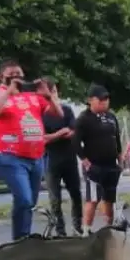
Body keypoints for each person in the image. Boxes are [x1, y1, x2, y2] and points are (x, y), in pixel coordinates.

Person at [0, 59, 63, 240]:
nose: (16, 78)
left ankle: (22, 239)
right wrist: (9, 92)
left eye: (19, 74)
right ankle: (20, 238)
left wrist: (48, 97)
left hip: (35, 157)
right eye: (11, 75)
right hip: (10, 156)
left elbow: (58, 114)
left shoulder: (32, 95)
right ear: (1, 76)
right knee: (24, 199)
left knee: (29, 202)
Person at [74, 85, 123, 233]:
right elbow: (75, 141)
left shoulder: (111, 117)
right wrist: (84, 160)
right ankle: (86, 229)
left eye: (106, 99)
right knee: (93, 199)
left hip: (110, 164)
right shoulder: (84, 118)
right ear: (91, 100)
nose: (104, 102)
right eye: (100, 100)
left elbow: (117, 138)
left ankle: (109, 228)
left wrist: (120, 156)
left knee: (109, 198)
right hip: (94, 165)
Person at [40, 79, 83, 237]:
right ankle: (60, 231)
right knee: (55, 199)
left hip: (69, 158)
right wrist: (60, 133)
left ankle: (77, 227)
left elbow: (73, 131)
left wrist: (56, 135)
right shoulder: (41, 114)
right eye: (51, 93)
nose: (54, 95)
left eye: (55, 92)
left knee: (76, 194)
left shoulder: (66, 110)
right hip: (51, 159)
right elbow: (43, 138)